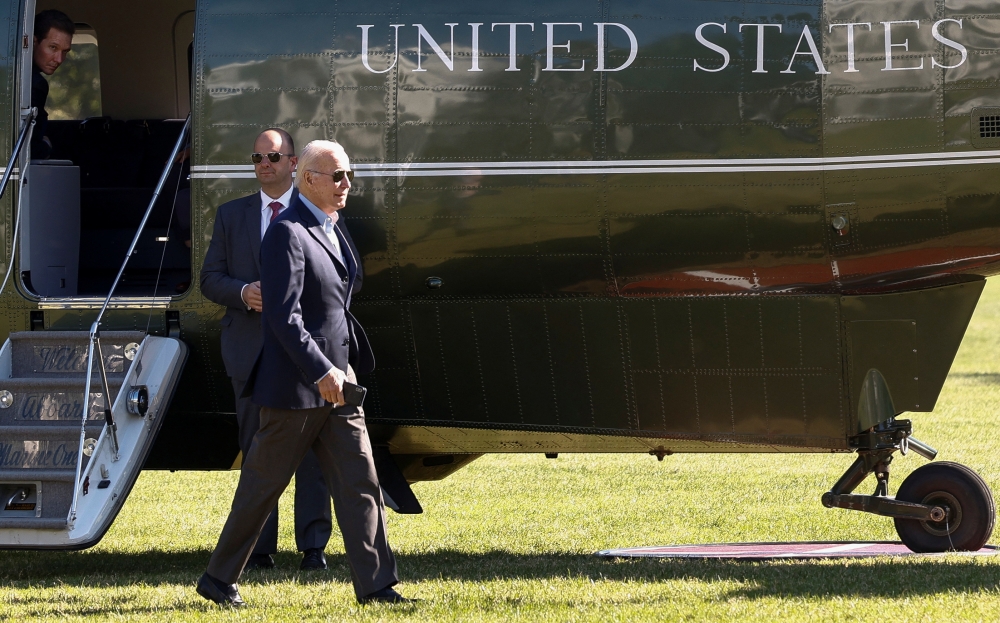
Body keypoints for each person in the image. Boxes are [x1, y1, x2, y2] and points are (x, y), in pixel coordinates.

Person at [197, 140, 409, 607]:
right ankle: (218, 579)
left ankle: (377, 585)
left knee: (360, 482)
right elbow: (282, 316)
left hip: (338, 383)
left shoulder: (333, 226)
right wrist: (321, 370)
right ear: (308, 179)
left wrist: (343, 366)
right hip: (296, 388)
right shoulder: (287, 233)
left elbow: (337, 304)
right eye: (337, 177)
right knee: (260, 488)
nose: (346, 185)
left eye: (348, 175)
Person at [200, 128, 337, 572]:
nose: (264, 164)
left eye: (274, 157)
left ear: (293, 163)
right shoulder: (231, 215)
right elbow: (209, 279)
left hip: (304, 352)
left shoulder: (316, 214)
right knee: (257, 454)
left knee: (313, 452)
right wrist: (243, 293)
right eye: (257, 157)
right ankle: (258, 550)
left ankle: (313, 547)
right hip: (249, 351)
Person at [31, 10, 74, 160]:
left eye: (65, 51)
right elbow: (30, 148)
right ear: (33, 42)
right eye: (53, 47)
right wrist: (46, 146)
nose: (60, 59)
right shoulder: (35, 84)